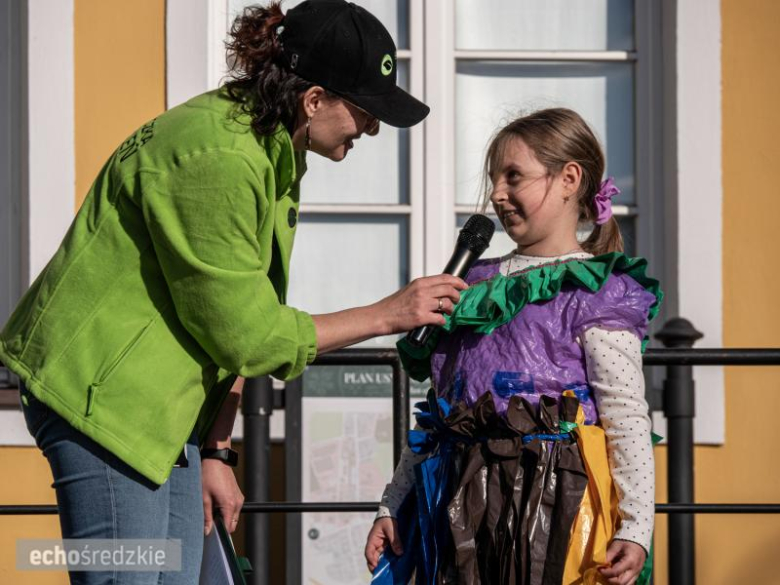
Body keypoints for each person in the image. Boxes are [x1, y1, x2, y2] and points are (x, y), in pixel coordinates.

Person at [0, 1, 466, 583]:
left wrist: (217, 450)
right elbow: (249, 337)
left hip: (160, 408)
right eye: (365, 111)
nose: (371, 128)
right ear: (314, 99)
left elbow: (238, 311)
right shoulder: (219, 157)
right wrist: (386, 314)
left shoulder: (269, 147)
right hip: (102, 400)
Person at [364, 108, 663, 585]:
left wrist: (636, 528)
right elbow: (439, 415)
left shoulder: (594, 291)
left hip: (556, 506)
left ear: (569, 179)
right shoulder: (470, 284)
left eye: (513, 176)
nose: (497, 194)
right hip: (460, 505)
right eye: (493, 179)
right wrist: (394, 501)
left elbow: (625, 416)